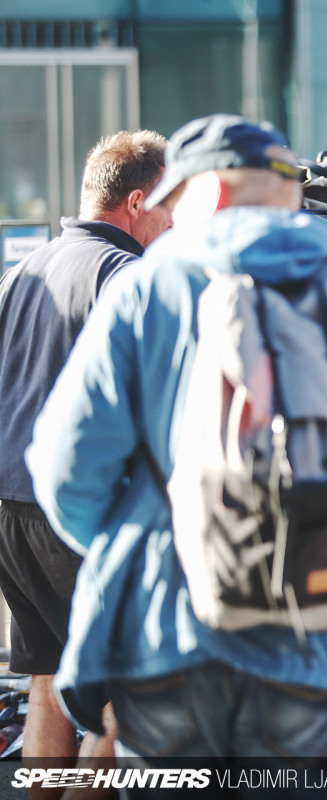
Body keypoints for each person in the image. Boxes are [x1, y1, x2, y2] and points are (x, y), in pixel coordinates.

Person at [26, 114, 327, 794]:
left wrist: (153, 542)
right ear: (289, 194)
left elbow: (65, 472)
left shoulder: (147, 295)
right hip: (323, 652)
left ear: (194, 194)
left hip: (170, 646)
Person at [0, 129, 170, 799]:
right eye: (170, 209)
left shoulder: (23, 272)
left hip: (11, 510)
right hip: (77, 517)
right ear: (137, 201)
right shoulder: (125, 276)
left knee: (49, 677)